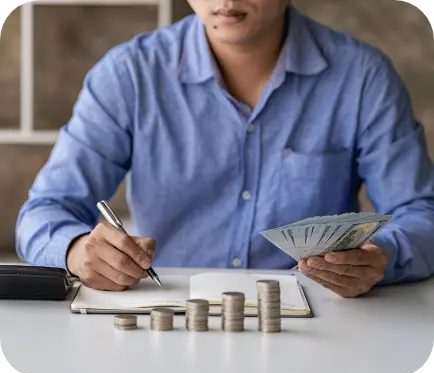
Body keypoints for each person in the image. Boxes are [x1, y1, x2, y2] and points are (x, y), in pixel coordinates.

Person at [15, 0, 434, 298]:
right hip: (168, 317)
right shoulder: (129, 75)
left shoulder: (362, 77)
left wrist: (383, 256)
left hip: (318, 322)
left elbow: (422, 213)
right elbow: (43, 212)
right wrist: (76, 251)